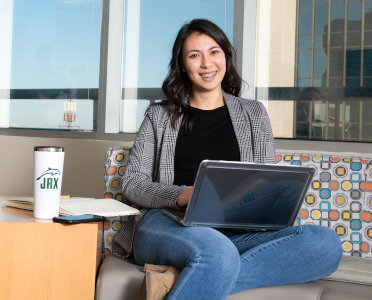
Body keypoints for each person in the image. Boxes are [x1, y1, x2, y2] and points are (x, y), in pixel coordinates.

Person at [115, 19, 342, 300]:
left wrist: (269, 199)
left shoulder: (254, 114)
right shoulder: (159, 116)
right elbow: (133, 184)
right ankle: (210, 267)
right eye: (194, 55)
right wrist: (182, 195)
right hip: (168, 223)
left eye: (214, 52)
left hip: (234, 231)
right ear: (182, 65)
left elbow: (266, 182)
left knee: (325, 244)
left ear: (225, 57)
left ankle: (186, 279)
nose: (206, 63)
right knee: (216, 250)